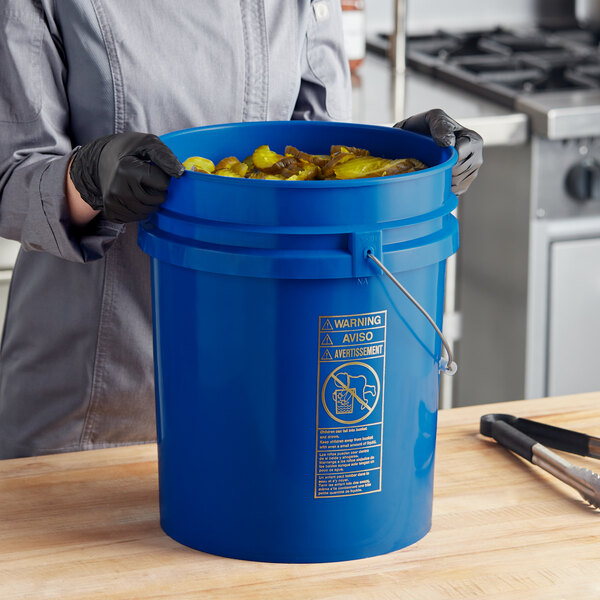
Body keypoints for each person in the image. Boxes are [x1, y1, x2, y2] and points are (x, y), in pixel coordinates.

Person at [0, 1, 482, 459]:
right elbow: (10, 174)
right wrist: (87, 176)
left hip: (268, 379)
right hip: (99, 391)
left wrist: (398, 162)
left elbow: (312, 161)